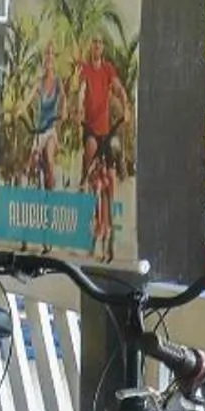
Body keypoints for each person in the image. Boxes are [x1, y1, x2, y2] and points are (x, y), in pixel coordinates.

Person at [77, 37, 129, 263]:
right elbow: (81, 92)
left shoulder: (107, 69)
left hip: (106, 130)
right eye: (94, 42)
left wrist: (125, 106)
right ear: (91, 47)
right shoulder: (86, 70)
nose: (96, 45)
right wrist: (78, 110)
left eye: (100, 43)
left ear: (103, 48)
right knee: (90, 147)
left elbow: (118, 88)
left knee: (110, 175)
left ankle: (108, 232)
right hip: (90, 128)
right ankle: (85, 176)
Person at [28, 42, 61, 190]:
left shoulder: (58, 82)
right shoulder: (39, 82)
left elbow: (64, 100)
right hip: (39, 130)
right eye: (46, 53)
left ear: (54, 59)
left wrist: (64, 112)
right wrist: (17, 111)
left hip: (50, 130)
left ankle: (51, 191)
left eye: (51, 54)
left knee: (49, 157)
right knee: (31, 163)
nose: (49, 57)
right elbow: (27, 99)